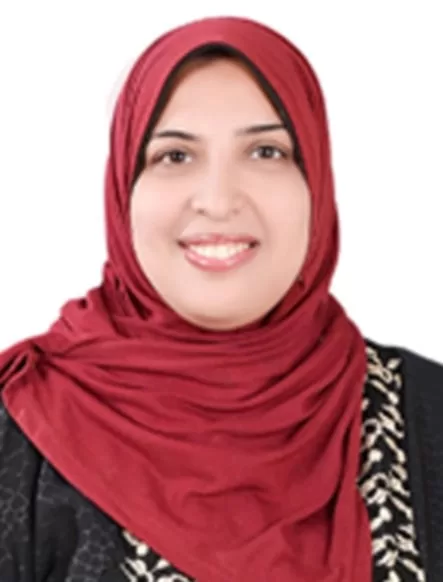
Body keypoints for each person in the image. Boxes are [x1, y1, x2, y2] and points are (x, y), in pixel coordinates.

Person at [0, 14, 441, 582]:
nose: (218, 199)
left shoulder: (428, 413)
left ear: (316, 181)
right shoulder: (21, 435)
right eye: (175, 156)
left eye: (266, 152)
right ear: (124, 189)